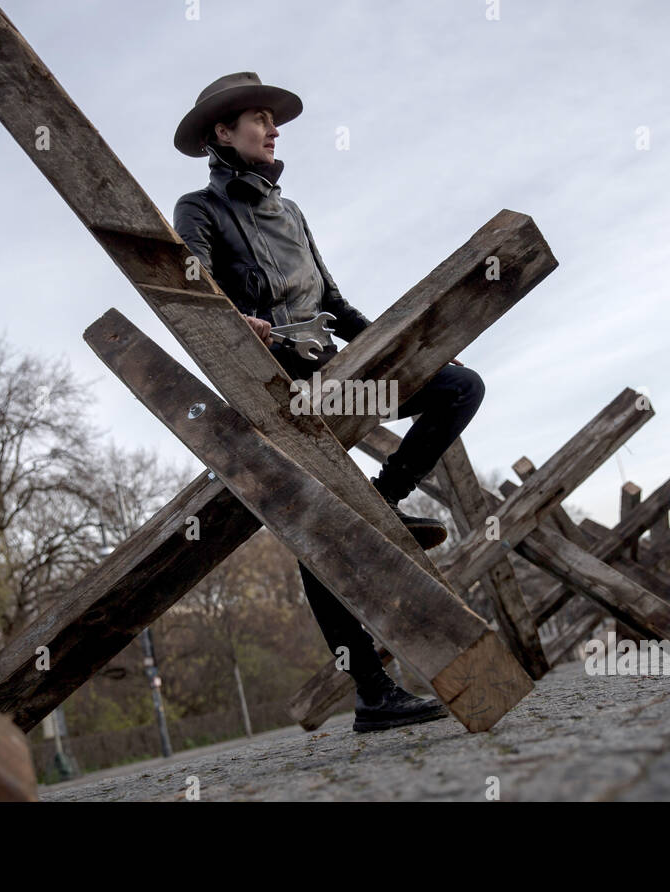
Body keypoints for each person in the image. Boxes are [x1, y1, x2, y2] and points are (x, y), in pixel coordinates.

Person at [172, 72, 486, 732]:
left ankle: (387, 497)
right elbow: (192, 289)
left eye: (272, 119)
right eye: (258, 118)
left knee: (460, 385)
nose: (274, 128)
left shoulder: (292, 213)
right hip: (274, 391)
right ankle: (373, 692)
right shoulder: (197, 209)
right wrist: (238, 320)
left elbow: (336, 307)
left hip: (336, 377)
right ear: (221, 133)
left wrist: (414, 348)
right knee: (315, 526)